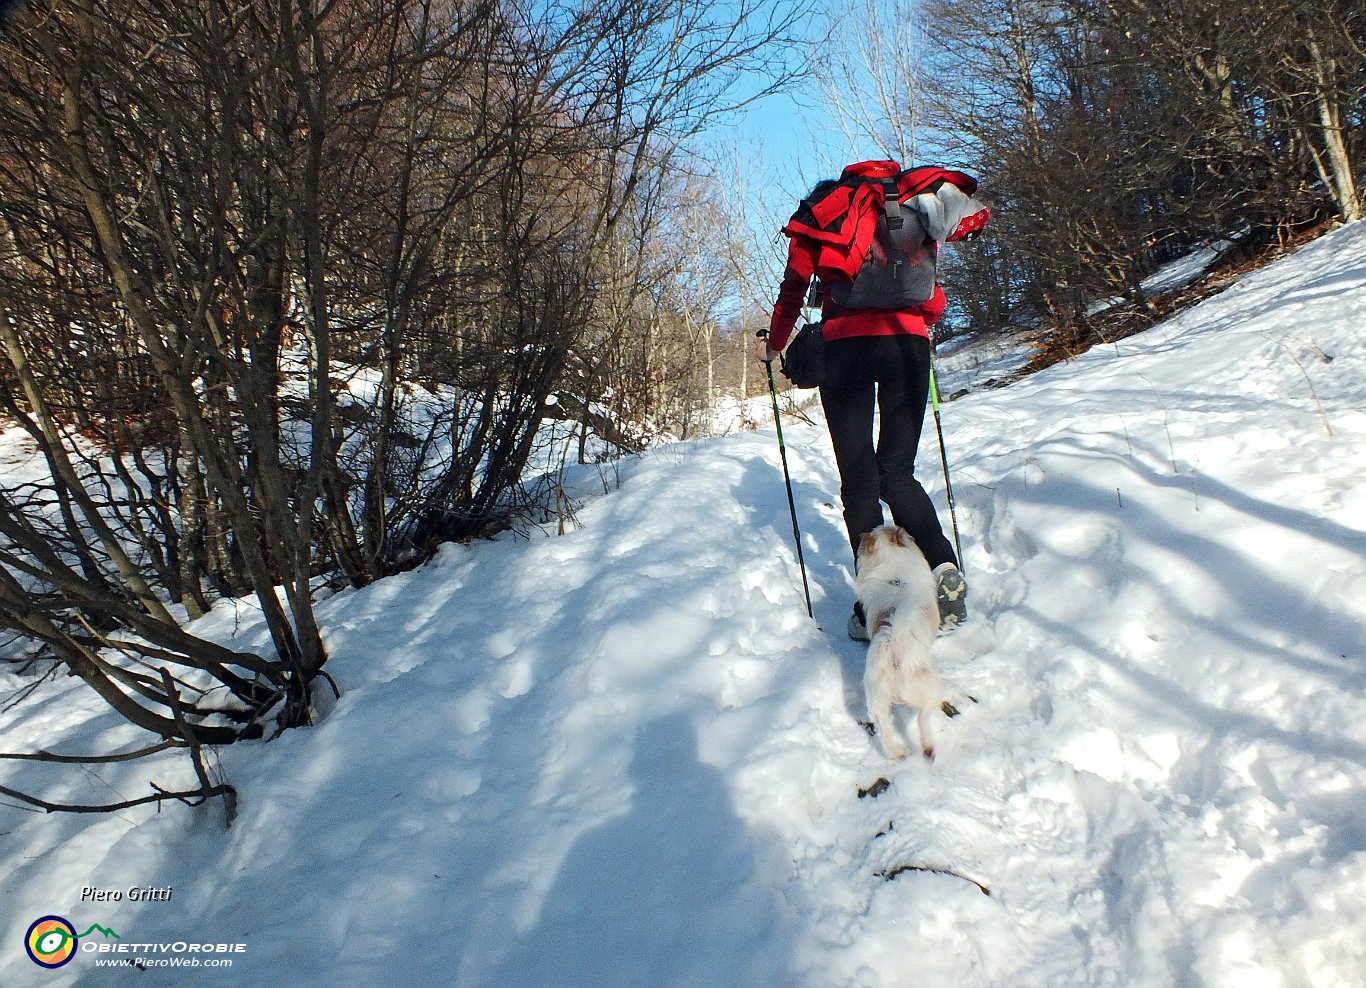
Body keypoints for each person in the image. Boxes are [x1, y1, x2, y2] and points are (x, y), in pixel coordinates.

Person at [756, 159, 988, 640]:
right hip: (907, 347)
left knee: (860, 483)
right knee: (897, 472)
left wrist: (775, 342)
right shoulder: (916, 206)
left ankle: (879, 608)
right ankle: (943, 565)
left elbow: (794, 287)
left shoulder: (826, 208)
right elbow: (933, 301)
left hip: (846, 351)